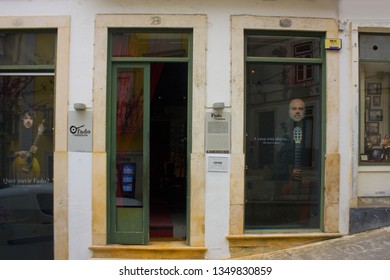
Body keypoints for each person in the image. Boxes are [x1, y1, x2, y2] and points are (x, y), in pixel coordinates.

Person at [11, 110, 45, 179]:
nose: (28, 121)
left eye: (30, 118)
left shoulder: (36, 132)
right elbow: (9, 155)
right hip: (18, 165)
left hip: (32, 167)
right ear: (22, 120)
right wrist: (18, 153)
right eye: (26, 118)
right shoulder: (18, 132)